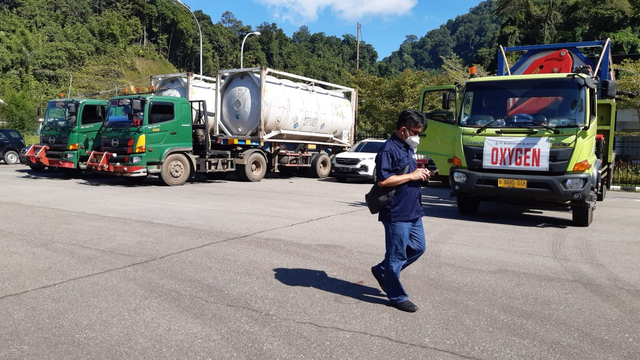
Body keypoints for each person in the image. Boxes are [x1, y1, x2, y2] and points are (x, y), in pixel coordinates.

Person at [371, 109, 431, 312]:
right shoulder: (388, 149)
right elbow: (384, 180)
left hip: (413, 209)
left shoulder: (407, 148)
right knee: (396, 256)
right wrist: (412, 176)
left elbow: (408, 174)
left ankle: (382, 271)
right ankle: (397, 296)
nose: (417, 137)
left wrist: (421, 174)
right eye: (415, 132)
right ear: (404, 130)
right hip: (396, 212)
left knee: (418, 247)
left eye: (419, 133)